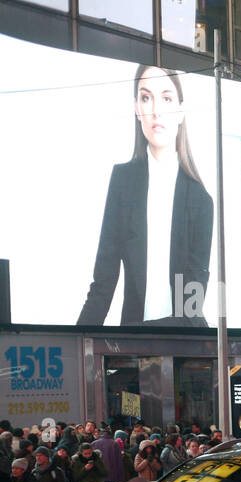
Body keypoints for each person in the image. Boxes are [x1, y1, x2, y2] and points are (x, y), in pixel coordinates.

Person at [77, 65, 213, 328]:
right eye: (146, 97)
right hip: (132, 344)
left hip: (183, 347)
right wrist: (72, 346)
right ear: (137, 108)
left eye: (166, 98)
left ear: (181, 111)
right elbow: (103, 283)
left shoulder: (200, 200)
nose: (156, 111)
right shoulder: (123, 181)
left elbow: (191, 305)